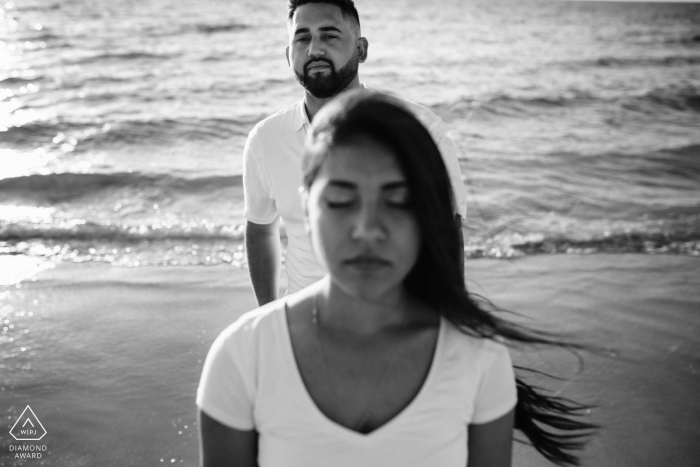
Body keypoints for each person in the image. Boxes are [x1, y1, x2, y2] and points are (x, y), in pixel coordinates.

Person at [198, 90, 595, 467]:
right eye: (341, 200)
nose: (367, 229)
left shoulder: (478, 358)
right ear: (305, 206)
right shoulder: (242, 356)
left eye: (398, 201)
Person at [244, 0, 468, 305]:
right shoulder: (266, 139)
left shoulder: (421, 129)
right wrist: (268, 317)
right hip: (304, 326)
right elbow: (260, 228)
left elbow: (446, 234)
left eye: (330, 35)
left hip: (398, 320)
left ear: (361, 49)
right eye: (302, 38)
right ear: (288, 55)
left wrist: (443, 319)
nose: (314, 50)